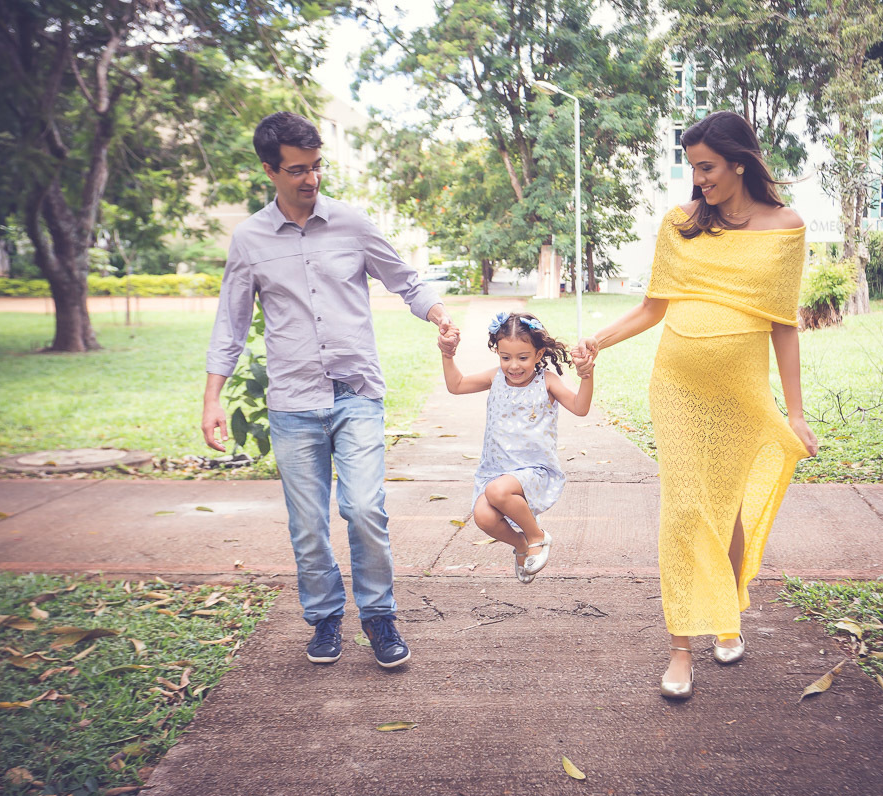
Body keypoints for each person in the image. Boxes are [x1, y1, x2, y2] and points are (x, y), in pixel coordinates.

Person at [573, 111, 820, 699]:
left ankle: (728, 615)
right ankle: (680, 647)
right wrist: (597, 342)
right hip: (677, 387)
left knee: (726, 506)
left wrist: (796, 411)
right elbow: (652, 307)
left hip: (740, 391)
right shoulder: (680, 223)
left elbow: (783, 325)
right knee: (686, 507)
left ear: (739, 161)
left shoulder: (785, 227)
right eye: (693, 169)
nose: (699, 180)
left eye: (707, 167)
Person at [202, 111, 458, 670]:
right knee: (308, 523)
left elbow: (404, 280)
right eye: (297, 169)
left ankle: (379, 615)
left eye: (316, 166)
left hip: (356, 392)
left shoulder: (352, 224)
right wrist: (212, 398)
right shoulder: (249, 240)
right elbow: (231, 322)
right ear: (269, 170)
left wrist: (438, 314)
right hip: (293, 404)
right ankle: (323, 619)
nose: (310, 179)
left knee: (365, 508)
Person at [442, 311, 593, 582]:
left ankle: (537, 536)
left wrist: (586, 376)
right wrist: (447, 355)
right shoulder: (494, 379)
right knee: (483, 517)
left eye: (523, 357)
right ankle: (521, 544)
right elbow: (456, 385)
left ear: (539, 354)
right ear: (497, 353)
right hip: (497, 470)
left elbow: (580, 408)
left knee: (497, 491)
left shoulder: (547, 382)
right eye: (505, 357)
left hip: (534, 470)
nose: (513, 366)